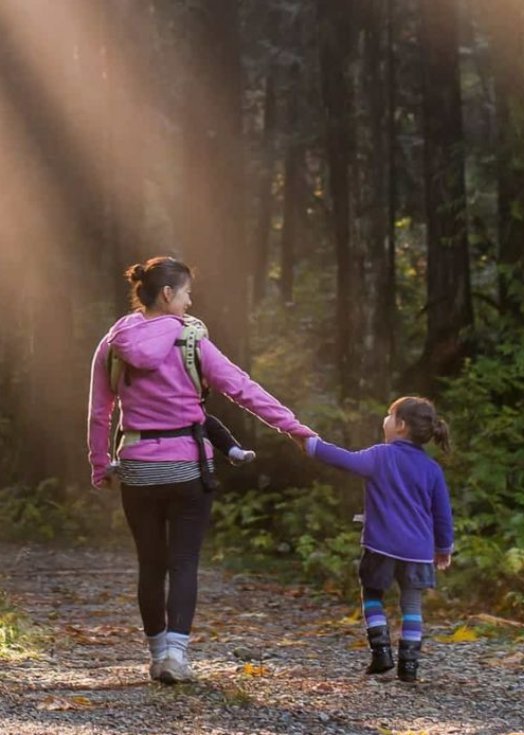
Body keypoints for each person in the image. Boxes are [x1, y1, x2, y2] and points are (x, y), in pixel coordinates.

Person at [88, 256, 316, 684]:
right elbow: (242, 389)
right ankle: (176, 654)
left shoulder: (113, 341)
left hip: (137, 467)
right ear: (168, 293)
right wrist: (294, 428)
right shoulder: (191, 341)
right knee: (184, 562)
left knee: (150, 563)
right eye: (188, 293)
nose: (191, 303)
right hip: (188, 468)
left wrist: (101, 463)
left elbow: (100, 412)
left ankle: (157, 656)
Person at [304, 396, 453, 683]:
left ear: (400, 425)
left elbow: (343, 459)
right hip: (419, 551)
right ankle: (409, 665)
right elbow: (443, 514)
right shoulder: (432, 469)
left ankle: (381, 652)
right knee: (412, 605)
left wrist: (311, 444)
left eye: (389, 415)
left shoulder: (380, 456)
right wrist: (443, 548)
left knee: (372, 594)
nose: (384, 421)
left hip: (381, 545)